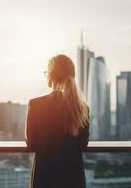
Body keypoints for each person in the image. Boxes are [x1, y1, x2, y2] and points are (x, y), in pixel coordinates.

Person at [25, 54, 90, 188]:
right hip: (73, 178)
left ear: (51, 75)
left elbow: (31, 144)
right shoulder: (82, 107)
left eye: (46, 73)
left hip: (45, 177)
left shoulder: (36, 104)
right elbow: (83, 145)